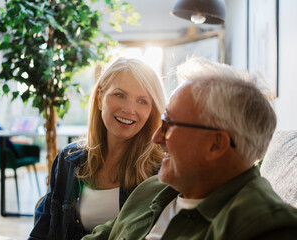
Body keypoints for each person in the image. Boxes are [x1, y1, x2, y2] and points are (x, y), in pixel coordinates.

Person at [82, 56, 297, 240]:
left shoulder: (267, 227)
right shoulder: (152, 190)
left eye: (169, 125)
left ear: (216, 144)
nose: (156, 137)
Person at [28, 57, 167, 240]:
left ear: (152, 110)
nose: (129, 109)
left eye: (142, 101)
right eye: (119, 95)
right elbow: (42, 232)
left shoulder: (161, 171)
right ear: (100, 98)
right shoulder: (68, 159)